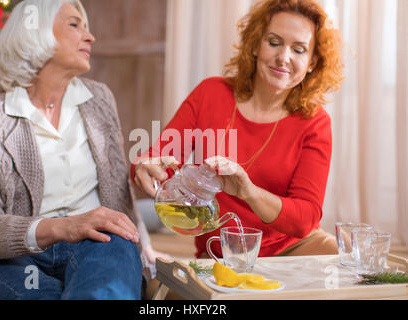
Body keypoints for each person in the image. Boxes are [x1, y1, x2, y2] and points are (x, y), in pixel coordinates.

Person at [0, 0, 163, 300]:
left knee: (106, 287)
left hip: (99, 245)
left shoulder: (99, 99)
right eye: (74, 25)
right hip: (12, 258)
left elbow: (120, 196)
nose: (90, 36)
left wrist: (144, 248)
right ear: (35, 33)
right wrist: (64, 227)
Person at [132, 0, 344, 260]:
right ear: (256, 44)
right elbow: (157, 158)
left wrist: (249, 192)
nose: (284, 57)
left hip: (293, 250)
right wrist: (143, 165)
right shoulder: (211, 93)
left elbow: (305, 219)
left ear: (312, 62)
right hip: (224, 253)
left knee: (354, 263)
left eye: (299, 49)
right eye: (274, 42)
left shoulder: (315, 121)